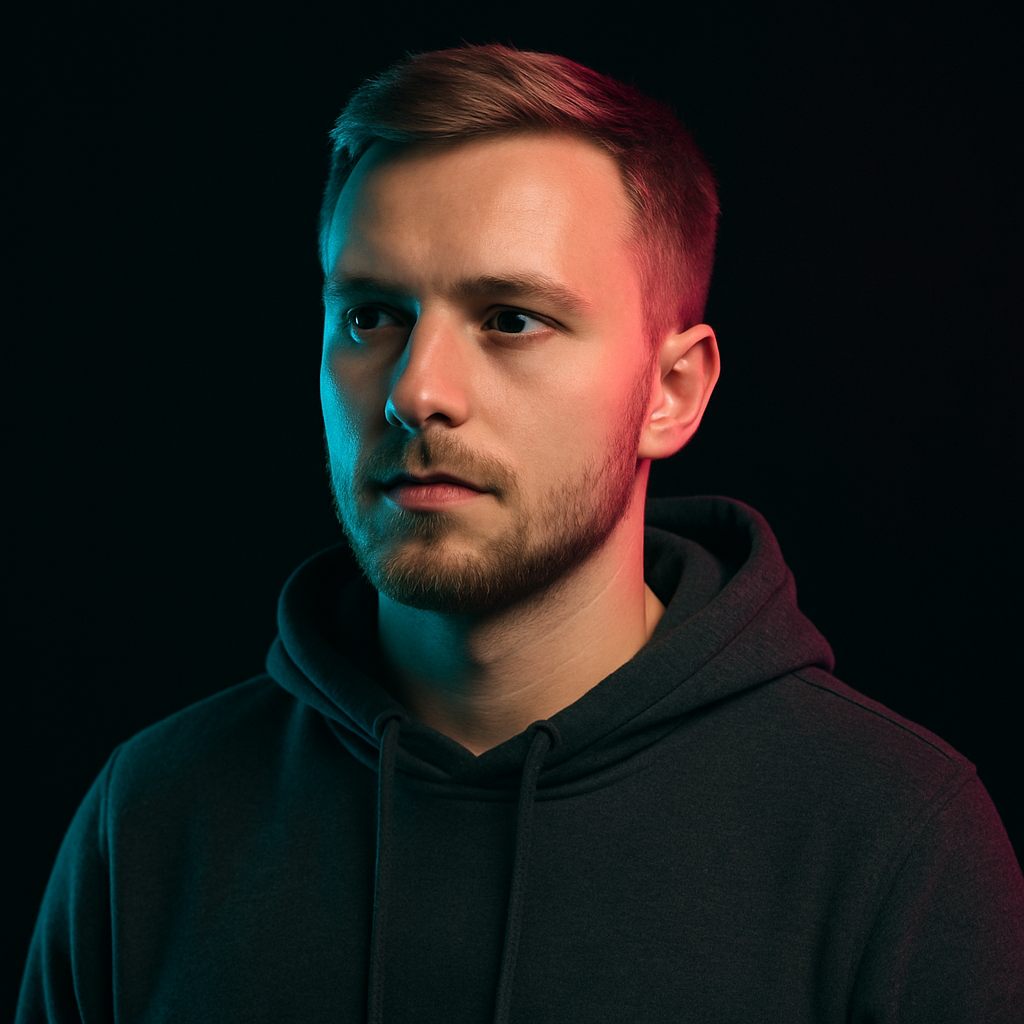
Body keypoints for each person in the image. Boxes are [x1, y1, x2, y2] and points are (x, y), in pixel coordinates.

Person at [17, 44, 1023, 1024]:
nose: (416, 393)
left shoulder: (894, 840)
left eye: (509, 319)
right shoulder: (150, 818)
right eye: (372, 316)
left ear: (670, 392)